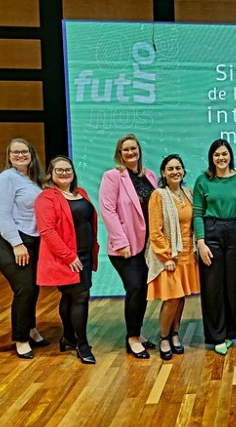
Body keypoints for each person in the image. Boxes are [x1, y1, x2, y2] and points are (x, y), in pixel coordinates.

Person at [99, 133, 159, 359]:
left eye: (134, 148)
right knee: (134, 288)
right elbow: (107, 210)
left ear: (139, 150)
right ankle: (132, 338)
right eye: (126, 149)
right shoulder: (113, 176)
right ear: (119, 153)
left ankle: (138, 333)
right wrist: (121, 241)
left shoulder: (150, 175)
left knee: (142, 289)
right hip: (125, 246)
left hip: (146, 246)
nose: (131, 152)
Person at [36, 156, 99, 364]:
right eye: (59, 170)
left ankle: (69, 337)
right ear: (51, 174)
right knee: (81, 296)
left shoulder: (81, 192)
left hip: (85, 254)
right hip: (67, 256)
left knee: (71, 296)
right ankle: (82, 344)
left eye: (68, 169)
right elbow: (47, 231)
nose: (65, 173)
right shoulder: (46, 197)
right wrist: (69, 256)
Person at [0, 138, 48, 360]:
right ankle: (21, 339)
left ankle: (30, 329)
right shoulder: (6, 179)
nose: (20, 155)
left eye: (24, 151)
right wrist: (17, 244)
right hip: (9, 240)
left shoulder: (32, 179)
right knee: (24, 288)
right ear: (9, 156)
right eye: (15, 152)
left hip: (31, 239)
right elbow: (2, 215)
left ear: (31, 154)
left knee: (33, 287)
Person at [193, 139, 236, 355]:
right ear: (211, 158)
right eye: (216, 154)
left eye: (224, 154)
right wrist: (201, 242)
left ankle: (229, 333)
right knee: (212, 286)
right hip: (211, 233)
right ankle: (216, 336)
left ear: (230, 155)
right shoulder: (203, 180)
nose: (221, 158)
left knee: (231, 285)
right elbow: (198, 213)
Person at [145, 154, 200, 360]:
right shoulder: (159, 195)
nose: (175, 172)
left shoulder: (188, 193)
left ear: (183, 171)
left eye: (178, 168)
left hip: (188, 253)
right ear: (163, 172)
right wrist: (166, 256)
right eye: (170, 168)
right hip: (170, 256)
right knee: (171, 299)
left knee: (181, 296)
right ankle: (164, 337)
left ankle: (175, 333)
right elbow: (155, 231)